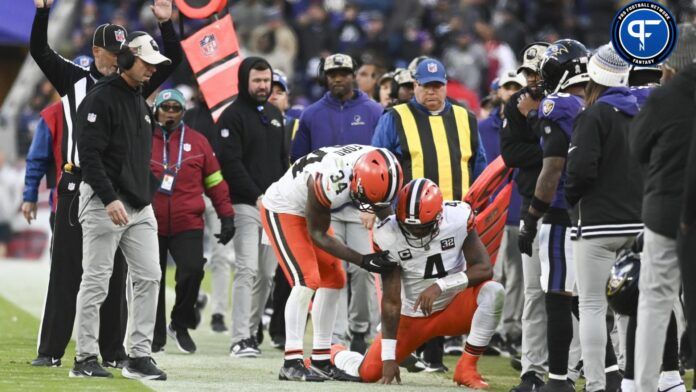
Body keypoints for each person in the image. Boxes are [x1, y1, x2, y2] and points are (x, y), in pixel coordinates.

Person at [28, 0, 181, 369]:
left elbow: (172, 60)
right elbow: (39, 51)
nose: (116, 59)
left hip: (123, 187)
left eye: (121, 52)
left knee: (118, 276)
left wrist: (165, 24)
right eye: (111, 52)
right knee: (68, 271)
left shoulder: (133, 84)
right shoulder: (75, 79)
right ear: (96, 51)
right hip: (79, 182)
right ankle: (51, 350)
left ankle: (114, 351)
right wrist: (43, 12)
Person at [332, 179, 504, 389]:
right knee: (369, 373)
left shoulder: (457, 218)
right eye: (409, 228)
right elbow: (391, 299)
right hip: (411, 316)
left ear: (439, 217)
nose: (416, 235)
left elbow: (484, 268)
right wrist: (388, 358)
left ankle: (466, 368)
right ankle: (335, 352)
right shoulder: (388, 233)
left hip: (453, 305)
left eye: (422, 228)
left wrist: (441, 285)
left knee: (493, 292)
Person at [372, 58, 486, 370]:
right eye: (424, 86)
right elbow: (378, 163)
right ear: (415, 86)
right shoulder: (396, 116)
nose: (431, 92)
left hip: (454, 221)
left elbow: (479, 166)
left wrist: (477, 208)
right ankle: (399, 348)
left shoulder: (465, 117)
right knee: (408, 286)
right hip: (410, 223)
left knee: (449, 279)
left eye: (437, 86)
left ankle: (438, 354)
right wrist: (376, 210)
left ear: (446, 86)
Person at [72, 31, 173, 380]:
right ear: (128, 61)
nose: (151, 70)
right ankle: (85, 358)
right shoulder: (101, 99)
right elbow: (89, 156)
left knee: (150, 276)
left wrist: (167, 23)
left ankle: (139, 355)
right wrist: (109, 196)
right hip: (105, 202)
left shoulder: (138, 95)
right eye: (146, 63)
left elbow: (174, 57)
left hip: (138, 204)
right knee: (97, 281)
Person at [260, 145, 402, 382]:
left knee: (335, 279)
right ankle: (291, 362)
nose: (367, 204)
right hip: (283, 208)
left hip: (312, 210)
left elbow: (384, 208)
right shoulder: (329, 179)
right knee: (307, 279)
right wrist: (363, 260)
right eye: (365, 196)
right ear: (356, 179)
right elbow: (319, 234)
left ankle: (321, 358)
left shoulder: (380, 164)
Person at [292, 53, 384, 353]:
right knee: (334, 273)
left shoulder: (374, 111)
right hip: (325, 209)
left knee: (363, 272)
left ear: (354, 74)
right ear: (325, 77)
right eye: (332, 73)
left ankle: (360, 330)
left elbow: (383, 162)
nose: (338, 78)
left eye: (344, 72)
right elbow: (298, 163)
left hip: (361, 208)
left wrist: (374, 206)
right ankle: (337, 339)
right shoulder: (310, 115)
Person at [564, 44, 640, 392]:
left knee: (593, 305)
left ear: (594, 75)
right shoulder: (641, 112)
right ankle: (632, 381)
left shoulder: (592, 116)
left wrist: (572, 202)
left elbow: (579, 172)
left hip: (597, 224)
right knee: (632, 306)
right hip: (639, 224)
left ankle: (596, 385)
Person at [516, 39, 588, 392]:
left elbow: (552, 170)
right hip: (600, 212)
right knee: (592, 303)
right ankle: (615, 373)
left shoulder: (556, 105)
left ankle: (558, 381)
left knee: (558, 296)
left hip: (562, 214)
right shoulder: (598, 100)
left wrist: (531, 218)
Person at [630, 23, 696, 392]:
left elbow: (636, 146)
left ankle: (644, 385)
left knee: (655, 301)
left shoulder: (664, 97)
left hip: (663, 211)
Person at [149, 89, 236, 354]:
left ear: (183, 112)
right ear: (157, 111)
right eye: (166, 108)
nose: (171, 113)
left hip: (188, 220)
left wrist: (226, 215)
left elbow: (215, 181)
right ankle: (153, 332)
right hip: (149, 221)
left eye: (176, 108)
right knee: (152, 278)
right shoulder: (142, 138)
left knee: (192, 271)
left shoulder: (198, 142)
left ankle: (180, 323)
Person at [216, 57, 287, 358]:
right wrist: (256, 195)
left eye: (266, 80)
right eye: (257, 81)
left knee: (267, 274)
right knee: (246, 269)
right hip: (245, 204)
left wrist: (282, 197)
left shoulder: (275, 114)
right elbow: (230, 164)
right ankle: (239, 338)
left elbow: (283, 161)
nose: (263, 86)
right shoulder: (231, 116)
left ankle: (252, 332)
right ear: (244, 81)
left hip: (273, 208)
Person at [500, 41, 549, 391]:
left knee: (575, 296)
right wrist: (552, 150)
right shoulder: (516, 104)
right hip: (532, 204)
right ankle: (533, 368)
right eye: (529, 72)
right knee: (534, 292)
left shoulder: (579, 98)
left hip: (570, 208)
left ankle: (580, 364)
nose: (532, 79)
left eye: (537, 71)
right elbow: (511, 154)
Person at [477, 69, 526, 357]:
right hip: (491, 212)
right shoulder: (483, 128)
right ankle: (488, 330)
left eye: (515, 87)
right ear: (497, 92)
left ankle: (510, 330)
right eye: (506, 87)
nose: (510, 92)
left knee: (518, 276)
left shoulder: (531, 125)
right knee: (491, 274)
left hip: (519, 210)